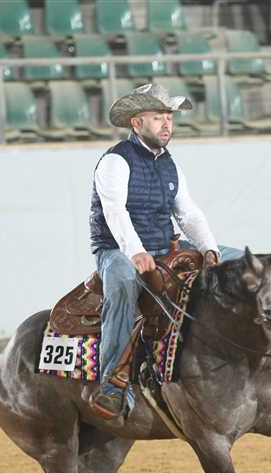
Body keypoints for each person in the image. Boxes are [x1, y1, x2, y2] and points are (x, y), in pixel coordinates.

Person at [88, 83, 240, 424]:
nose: (167, 124)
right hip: (116, 250)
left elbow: (188, 213)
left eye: (169, 117)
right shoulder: (115, 161)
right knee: (123, 285)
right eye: (158, 117)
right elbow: (115, 212)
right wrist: (136, 252)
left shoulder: (170, 165)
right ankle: (112, 384)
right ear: (136, 122)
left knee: (239, 262)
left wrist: (209, 248)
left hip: (163, 247)